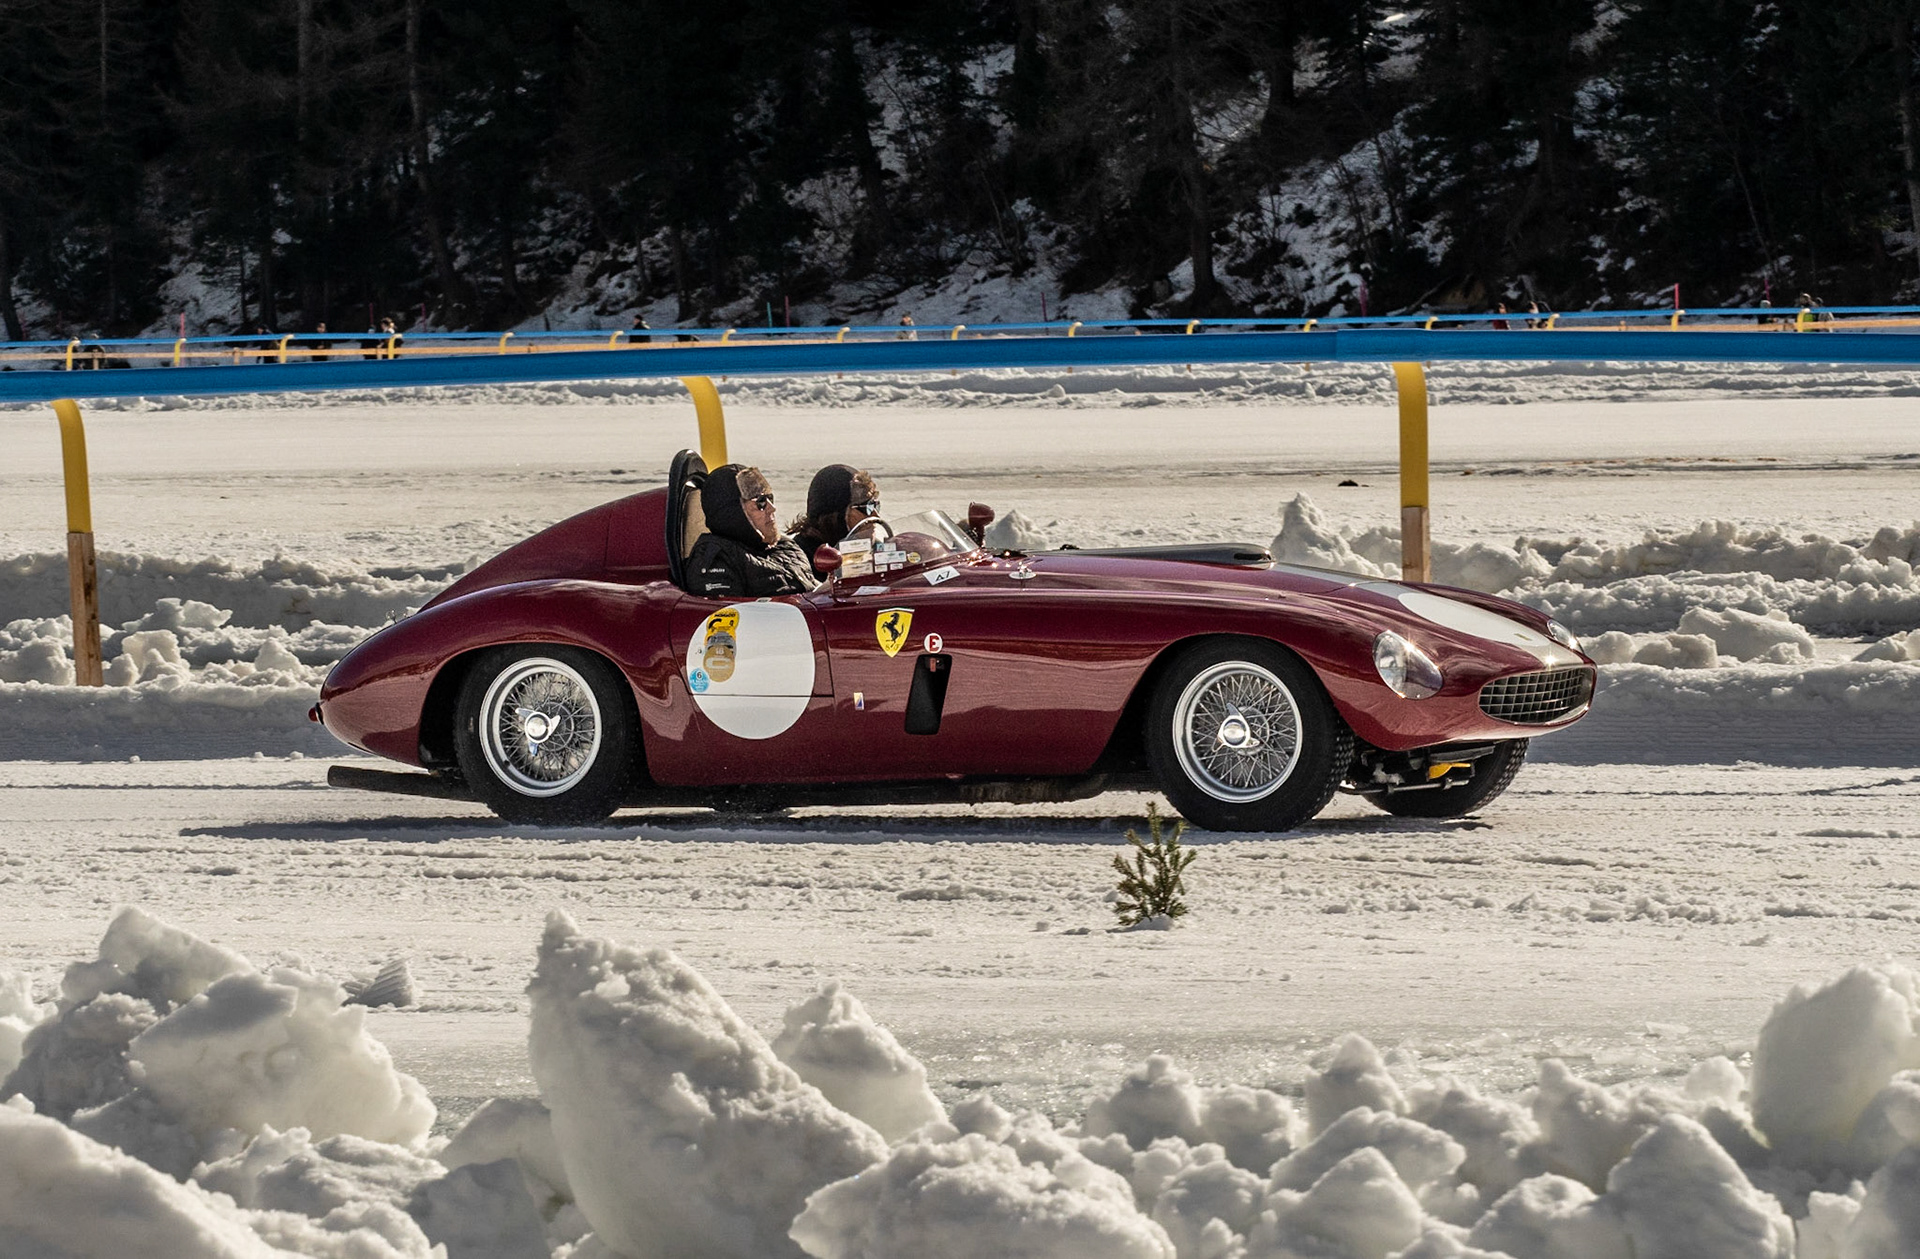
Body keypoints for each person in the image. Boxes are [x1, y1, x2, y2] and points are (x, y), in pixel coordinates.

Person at [687, 464, 816, 597]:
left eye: (770, 498)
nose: (772, 508)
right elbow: (728, 612)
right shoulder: (717, 558)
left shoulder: (787, 547)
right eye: (761, 502)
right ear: (734, 512)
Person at [788, 464, 882, 575]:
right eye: (867, 507)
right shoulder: (800, 558)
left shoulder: (874, 547)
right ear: (838, 513)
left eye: (875, 505)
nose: (875, 515)